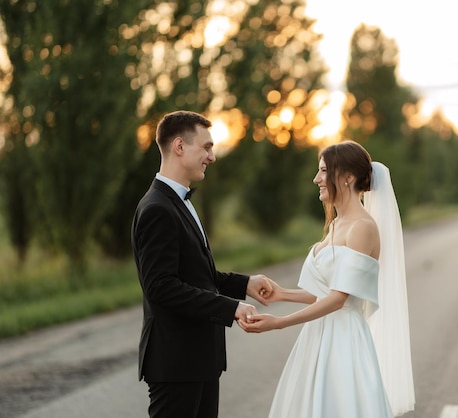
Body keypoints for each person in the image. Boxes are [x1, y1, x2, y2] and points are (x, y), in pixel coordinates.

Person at [239, 140, 415, 417]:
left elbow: (338, 299)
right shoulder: (337, 224)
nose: (316, 179)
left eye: (323, 171)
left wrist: (279, 323)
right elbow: (328, 291)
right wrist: (281, 293)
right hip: (320, 333)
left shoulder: (362, 228)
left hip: (344, 339)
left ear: (348, 177)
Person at [131, 110, 273, 418]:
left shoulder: (178, 202)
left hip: (199, 358)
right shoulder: (157, 208)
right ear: (180, 147)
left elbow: (197, 275)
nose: (212, 156)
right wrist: (230, 308)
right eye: (206, 147)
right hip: (176, 362)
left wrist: (243, 285)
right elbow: (162, 287)